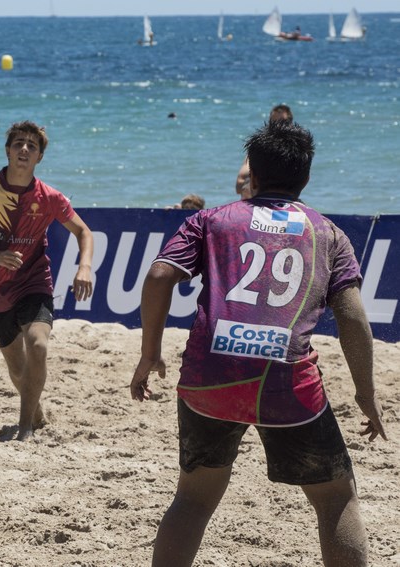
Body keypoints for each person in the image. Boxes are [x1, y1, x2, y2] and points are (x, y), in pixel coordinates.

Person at [130, 120, 387, 567]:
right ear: (306, 176)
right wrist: (366, 394)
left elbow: (157, 276)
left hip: (210, 377)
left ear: (255, 174)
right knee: (335, 499)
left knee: (193, 500)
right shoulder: (328, 234)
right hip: (287, 384)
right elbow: (352, 318)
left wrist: (149, 354)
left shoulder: (211, 220)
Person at [0, 120, 94, 441]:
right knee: (18, 370)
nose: (25, 149)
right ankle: (36, 412)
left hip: (34, 281)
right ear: (8, 151)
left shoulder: (49, 197)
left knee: (39, 344)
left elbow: (83, 232)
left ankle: (25, 427)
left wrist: (84, 267)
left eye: (32, 146)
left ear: (39, 157)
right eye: (18, 144)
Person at [236, 104, 293, 199]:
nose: (277, 126)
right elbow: (239, 184)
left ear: (290, 124)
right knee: (246, 189)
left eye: (282, 122)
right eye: (273, 122)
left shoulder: (296, 152)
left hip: (284, 202)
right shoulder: (259, 149)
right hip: (258, 201)